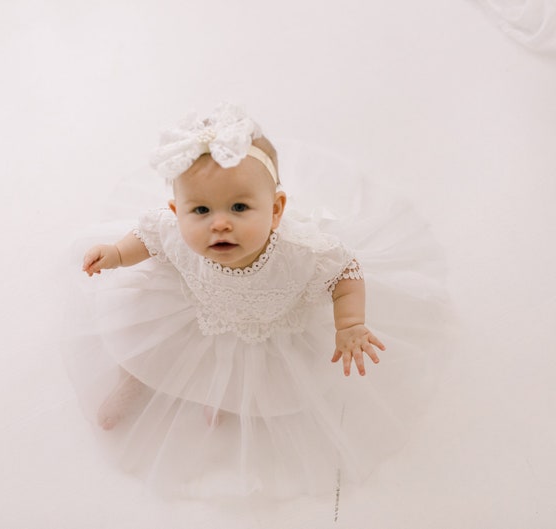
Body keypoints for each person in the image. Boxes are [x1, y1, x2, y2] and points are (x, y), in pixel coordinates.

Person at [65, 103, 451, 499]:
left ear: (276, 210)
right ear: (176, 212)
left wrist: (349, 323)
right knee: (145, 345)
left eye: (239, 207)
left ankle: (222, 399)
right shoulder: (173, 231)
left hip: (266, 326)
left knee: (245, 377)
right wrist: (115, 253)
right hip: (190, 309)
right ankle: (133, 381)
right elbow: (145, 238)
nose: (219, 222)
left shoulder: (300, 253)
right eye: (200, 210)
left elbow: (345, 271)